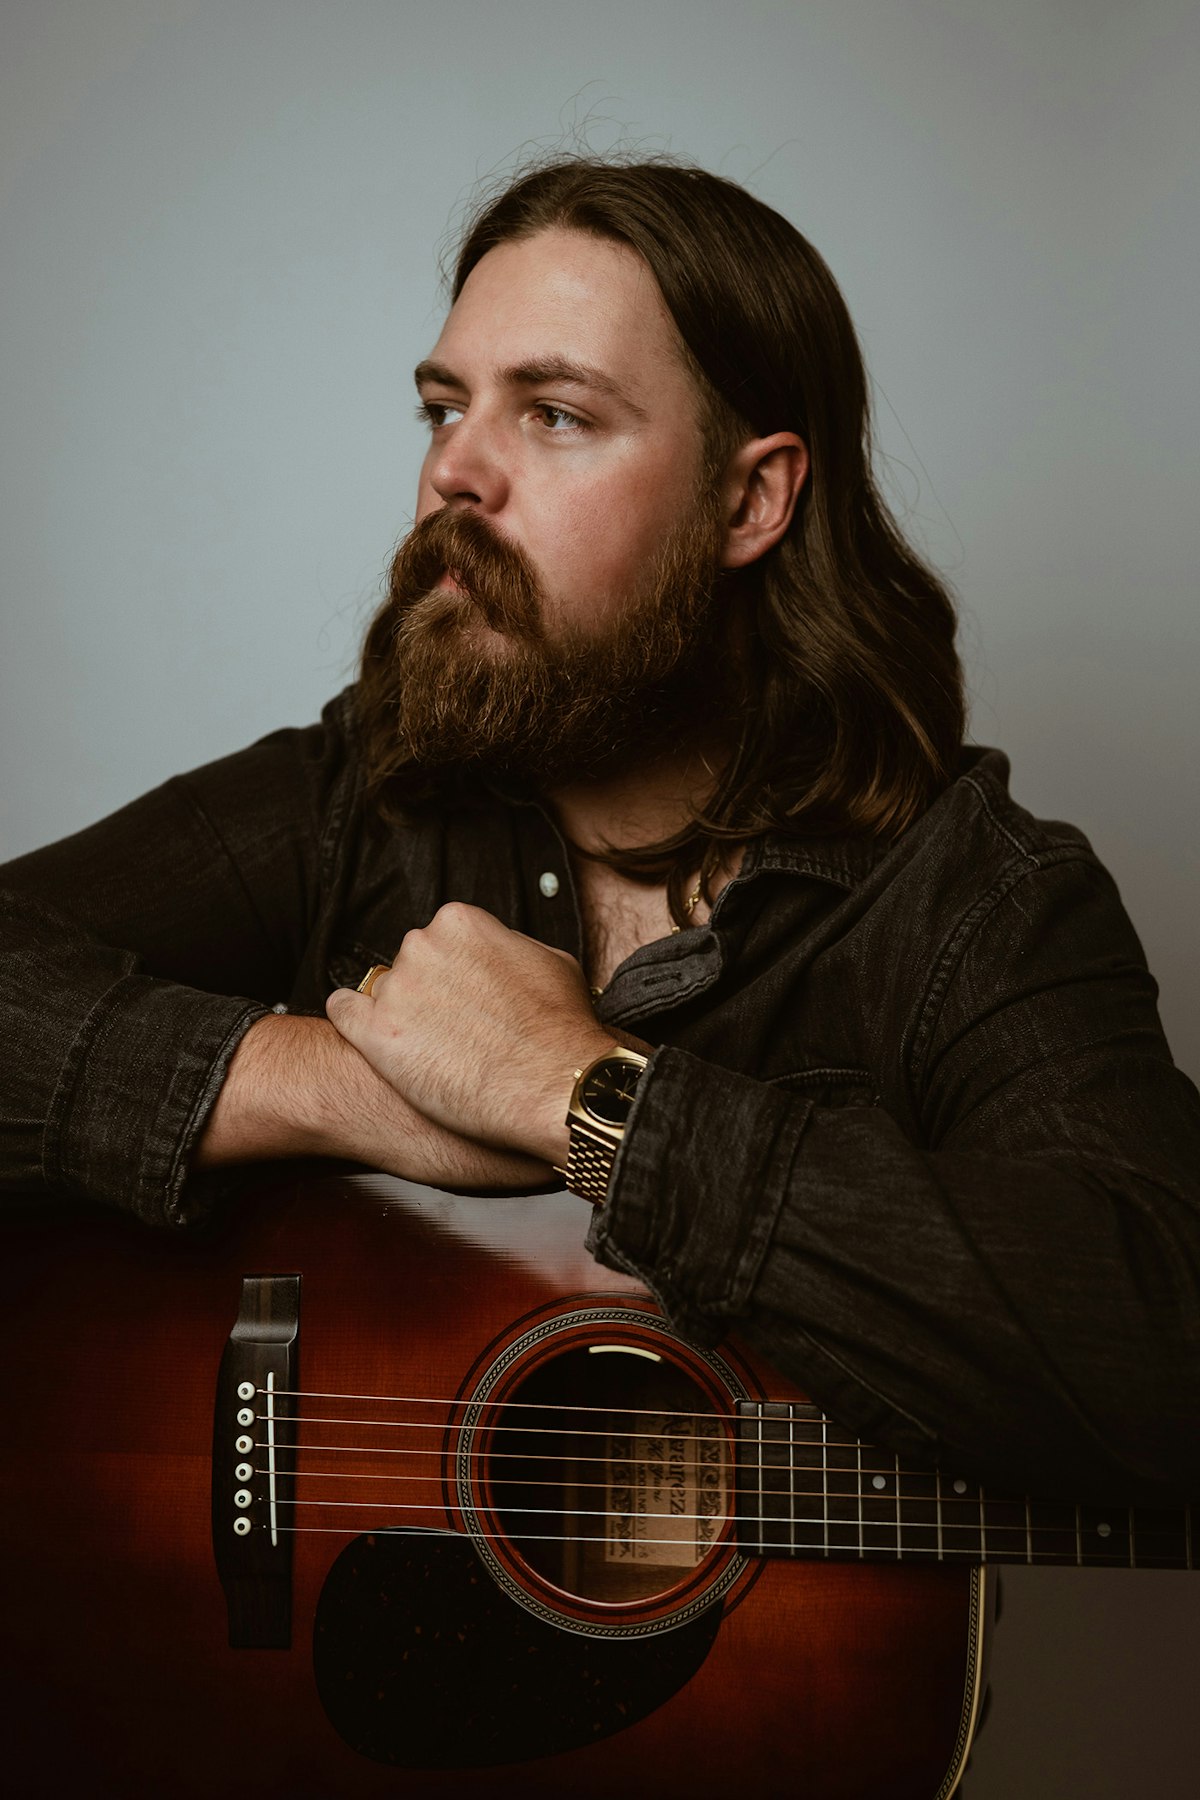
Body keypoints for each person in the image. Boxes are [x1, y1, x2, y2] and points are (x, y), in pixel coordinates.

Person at [2, 158, 1197, 1506]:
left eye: (555, 414)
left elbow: (1161, 1351)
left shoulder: (976, 902)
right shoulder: (362, 798)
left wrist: (582, 1097)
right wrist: (327, 1085)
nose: (452, 469)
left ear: (752, 502)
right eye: (443, 408)